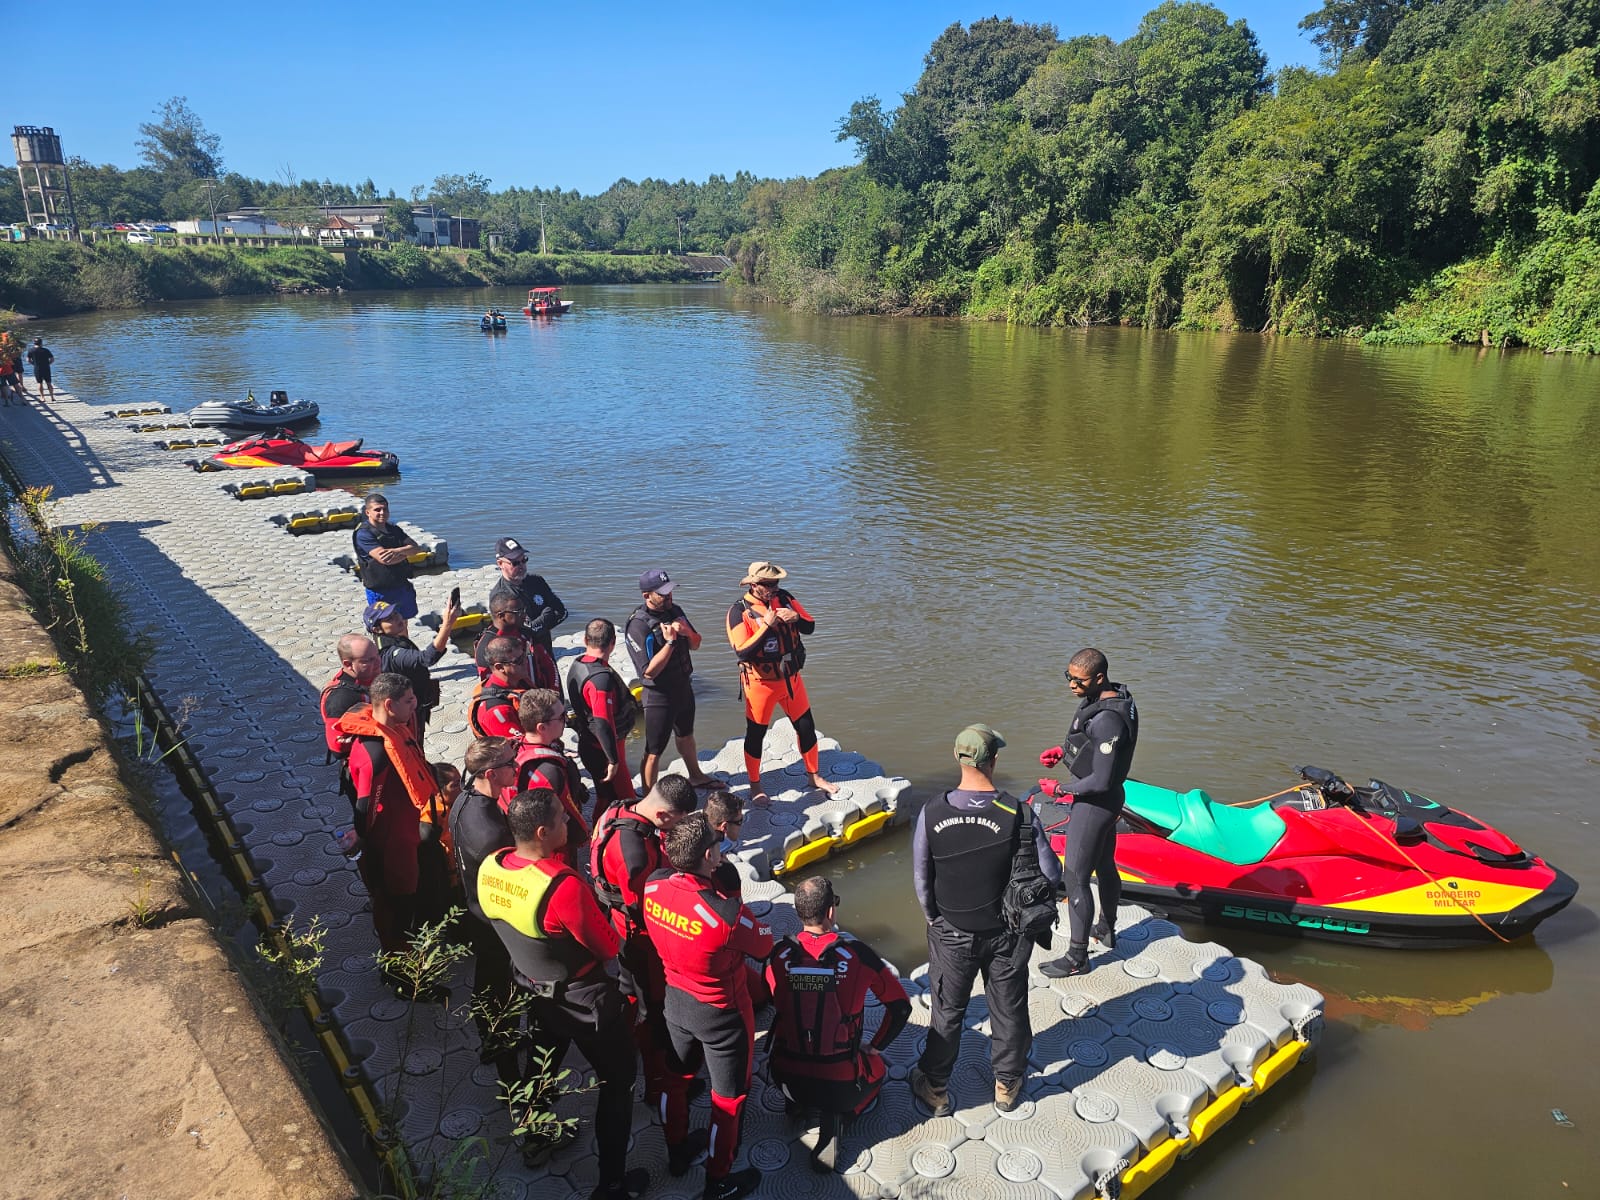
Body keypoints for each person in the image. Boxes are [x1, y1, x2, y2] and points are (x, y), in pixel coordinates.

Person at [477, 788, 649, 1198]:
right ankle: (612, 1185)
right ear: (542, 832)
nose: (569, 821)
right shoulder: (562, 885)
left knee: (541, 1067)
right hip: (586, 1001)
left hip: (535, 990)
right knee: (618, 1081)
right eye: (562, 817)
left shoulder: (491, 866)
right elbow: (606, 946)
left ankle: (533, 1136)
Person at [909, 724, 1060, 1116]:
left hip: (952, 932)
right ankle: (1007, 1085)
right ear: (994, 760)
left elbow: (922, 879)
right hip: (1008, 933)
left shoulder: (932, 812)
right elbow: (1051, 873)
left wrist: (934, 919)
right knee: (1008, 1008)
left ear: (957, 758)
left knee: (947, 1011)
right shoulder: (1018, 813)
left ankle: (936, 1087)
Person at [643, 813, 771, 1200]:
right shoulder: (726, 914)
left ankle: (677, 1152)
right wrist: (735, 900)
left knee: (675, 1078)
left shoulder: (653, 884)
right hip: (722, 1016)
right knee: (728, 1100)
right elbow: (764, 943)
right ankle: (718, 1181)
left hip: (675, 1002)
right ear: (709, 856)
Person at [766, 876, 911, 1172]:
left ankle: (796, 1107)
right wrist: (875, 1046)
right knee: (877, 1069)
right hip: (839, 1085)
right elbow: (900, 1008)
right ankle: (836, 1120)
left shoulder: (778, 954)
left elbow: (771, 996)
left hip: (784, 1078)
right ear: (831, 911)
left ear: (798, 911)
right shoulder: (859, 955)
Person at [590, 776, 698, 1122]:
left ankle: (622, 1044)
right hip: (639, 939)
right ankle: (658, 1083)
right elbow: (646, 910)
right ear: (663, 814)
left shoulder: (618, 810)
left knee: (630, 992)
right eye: (678, 821)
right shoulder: (635, 855)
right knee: (655, 1011)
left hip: (619, 928)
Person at [337, 674, 453, 985]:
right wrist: (362, 840)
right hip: (392, 846)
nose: (415, 705)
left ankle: (406, 959)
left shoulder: (394, 731)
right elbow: (366, 806)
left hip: (405, 835)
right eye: (409, 700)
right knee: (397, 908)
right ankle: (399, 975)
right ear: (389, 705)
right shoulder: (376, 754)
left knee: (404, 904)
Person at [1036, 648, 1139, 977]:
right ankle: (1106, 928)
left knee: (1075, 878)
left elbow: (1101, 779)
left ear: (1099, 678)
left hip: (1096, 804)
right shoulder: (1109, 698)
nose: (1071, 685)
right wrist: (1063, 752)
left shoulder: (1108, 719)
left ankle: (1076, 958)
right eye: (1068, 677)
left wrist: (1060, 789)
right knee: (1105, 866)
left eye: (1078, 680)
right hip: (1108, 801)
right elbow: (1092, 745)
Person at [725, 561, 836, 804]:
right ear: (754, 585)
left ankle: (814, 776)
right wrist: (766, 626)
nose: (774, 588)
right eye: (768, 585)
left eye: (776, 583)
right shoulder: (738, 611)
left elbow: (810, 626)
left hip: (791, 680)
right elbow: (742, 651)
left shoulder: (784, 598)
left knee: (806, 727)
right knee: (756, 735)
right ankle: (755, 785)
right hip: (760, 685)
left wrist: (796, 618)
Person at [450, 737, 524, 1086]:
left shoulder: (463, 800)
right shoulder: (492, 833)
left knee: (487, 977)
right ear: (491, 774)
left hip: (474, 906)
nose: (516, 766)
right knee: (504, 988)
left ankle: (488, 1036)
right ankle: (506, 1065)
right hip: (495, 918)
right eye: (510, 763)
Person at [626, 568, 716, 791]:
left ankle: (696, 776)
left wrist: (687, 632)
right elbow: (648, 672)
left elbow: (696, 644)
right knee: (654, 750)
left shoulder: (676, 611)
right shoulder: (638, 625)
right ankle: (648, 796)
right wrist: (670, 642)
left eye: (670, 591)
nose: (669, 596)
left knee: (686, 735)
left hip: (683, 686)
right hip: (659, 695)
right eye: (662, 593)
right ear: (646, 595)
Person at [567, 618, 640, 813]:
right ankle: (604, 830)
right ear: (613, 643)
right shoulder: (600, 679)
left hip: (589, 742)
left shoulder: (578, 664)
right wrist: (613, 760)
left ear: (585, 640)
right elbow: (602, 722)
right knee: (619, 801)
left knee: (606, 797)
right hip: (602, 750)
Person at [367, 593, 460, 740]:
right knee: (413, 745)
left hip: (412, 706)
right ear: (377, 629)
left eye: (396, 613)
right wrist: (447, 624)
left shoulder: (394, 639)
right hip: (407, 715)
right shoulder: (391, 653)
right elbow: (427, 658)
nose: (397, 618)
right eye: (389, 618)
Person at [513, 688, 592, 861]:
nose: (566, 720)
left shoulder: (518, 747)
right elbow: (568, 813)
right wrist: (584, 836)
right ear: (542, 727)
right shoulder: (550, 772)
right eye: (561, 717)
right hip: (556, 848)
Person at [321, 633, 382, 815]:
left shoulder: (370, 676)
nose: (377, 662)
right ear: (348, 664)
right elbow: (337, 748)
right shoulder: (340, 699)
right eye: (368, 660)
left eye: (377, 656)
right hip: (363, 773)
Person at [490, 537, 567, 656]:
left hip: (546, 652)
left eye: (524, 560)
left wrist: (538, 625)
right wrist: (544, 619)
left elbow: (561, 611)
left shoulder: (537, 581)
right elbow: (514, 634)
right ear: (500, 564)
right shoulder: (500, 597)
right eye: (515, 563)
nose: (521, 565)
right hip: (522, 657)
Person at [353, 494, 420, 618]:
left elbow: (416, 548)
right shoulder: (363, 534)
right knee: (385, 624)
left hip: (401, 585)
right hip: (380, 590)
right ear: (367, 512)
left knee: (403, 622)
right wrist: (406, 552)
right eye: (377, 510)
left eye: (385, 509)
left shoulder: (394, 529)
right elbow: (386, 560)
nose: (382, 513)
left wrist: (397, 551)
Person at [473, 589, 557, 689]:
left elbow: (548, 664)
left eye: (524, 610)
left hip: (542, 693)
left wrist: (554, 690)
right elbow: (491, 686)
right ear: (501, 616)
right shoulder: (486, 647)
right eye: (519, 612)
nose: (525, 615)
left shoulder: (526, 633)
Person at [467, 636, 528, 739]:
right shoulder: (497, 710)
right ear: (500, 667)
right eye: (519, 661)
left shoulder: (518, 679)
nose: (526, 662)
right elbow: (520, 746)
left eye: (525, 655)